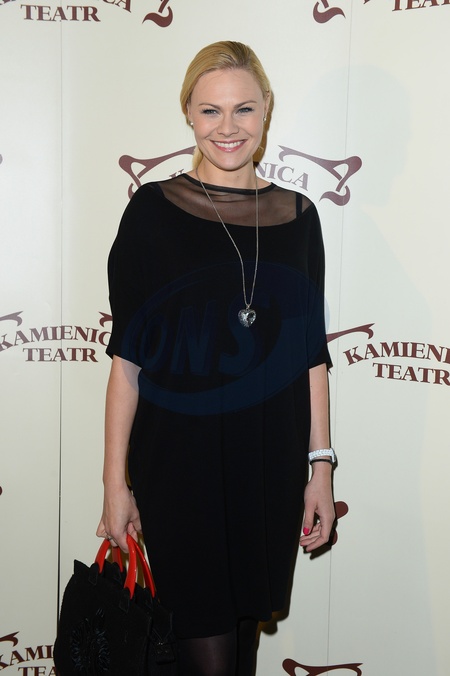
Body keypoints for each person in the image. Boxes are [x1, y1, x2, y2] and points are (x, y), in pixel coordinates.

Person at [97, 41, 336, 676]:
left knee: (241, 646)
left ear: (267, 110)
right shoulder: (151, 212)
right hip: (180, 466)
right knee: (203, 648)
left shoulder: (300, 216)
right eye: (210, 110)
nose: (227, 127)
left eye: (243, 109)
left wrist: (320, 467)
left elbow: (311, 356)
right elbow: (127, 362)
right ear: (188, 113)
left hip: (268, 464)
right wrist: (115, 484)